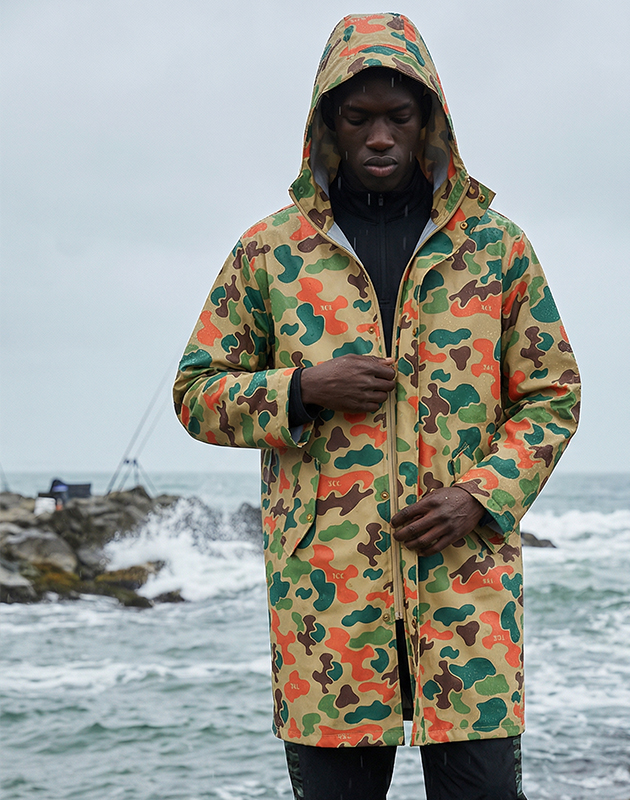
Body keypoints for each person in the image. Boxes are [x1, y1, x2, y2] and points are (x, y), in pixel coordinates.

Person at [173, 13, 580, 800]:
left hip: (466, 603)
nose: (381, 137)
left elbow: (552, 395)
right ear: (327, 125)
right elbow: (196, 392)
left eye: (399, 116)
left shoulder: (496, 248)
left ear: (431, 121)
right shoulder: (270, 252)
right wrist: (301, 389)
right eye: (359, 118)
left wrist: (480, 495)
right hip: (328, 614)